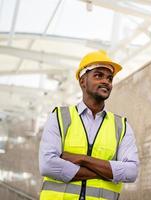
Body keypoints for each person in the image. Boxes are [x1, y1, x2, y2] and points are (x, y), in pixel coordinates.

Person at [39, 50, 139, 200]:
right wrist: (108, 172)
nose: (106, 81)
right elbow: (47, 165)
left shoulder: (121, 126)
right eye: (98, 75)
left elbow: (131, 172)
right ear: (82, 81)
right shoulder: (59, 117)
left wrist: (83, 159)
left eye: (109, 78)